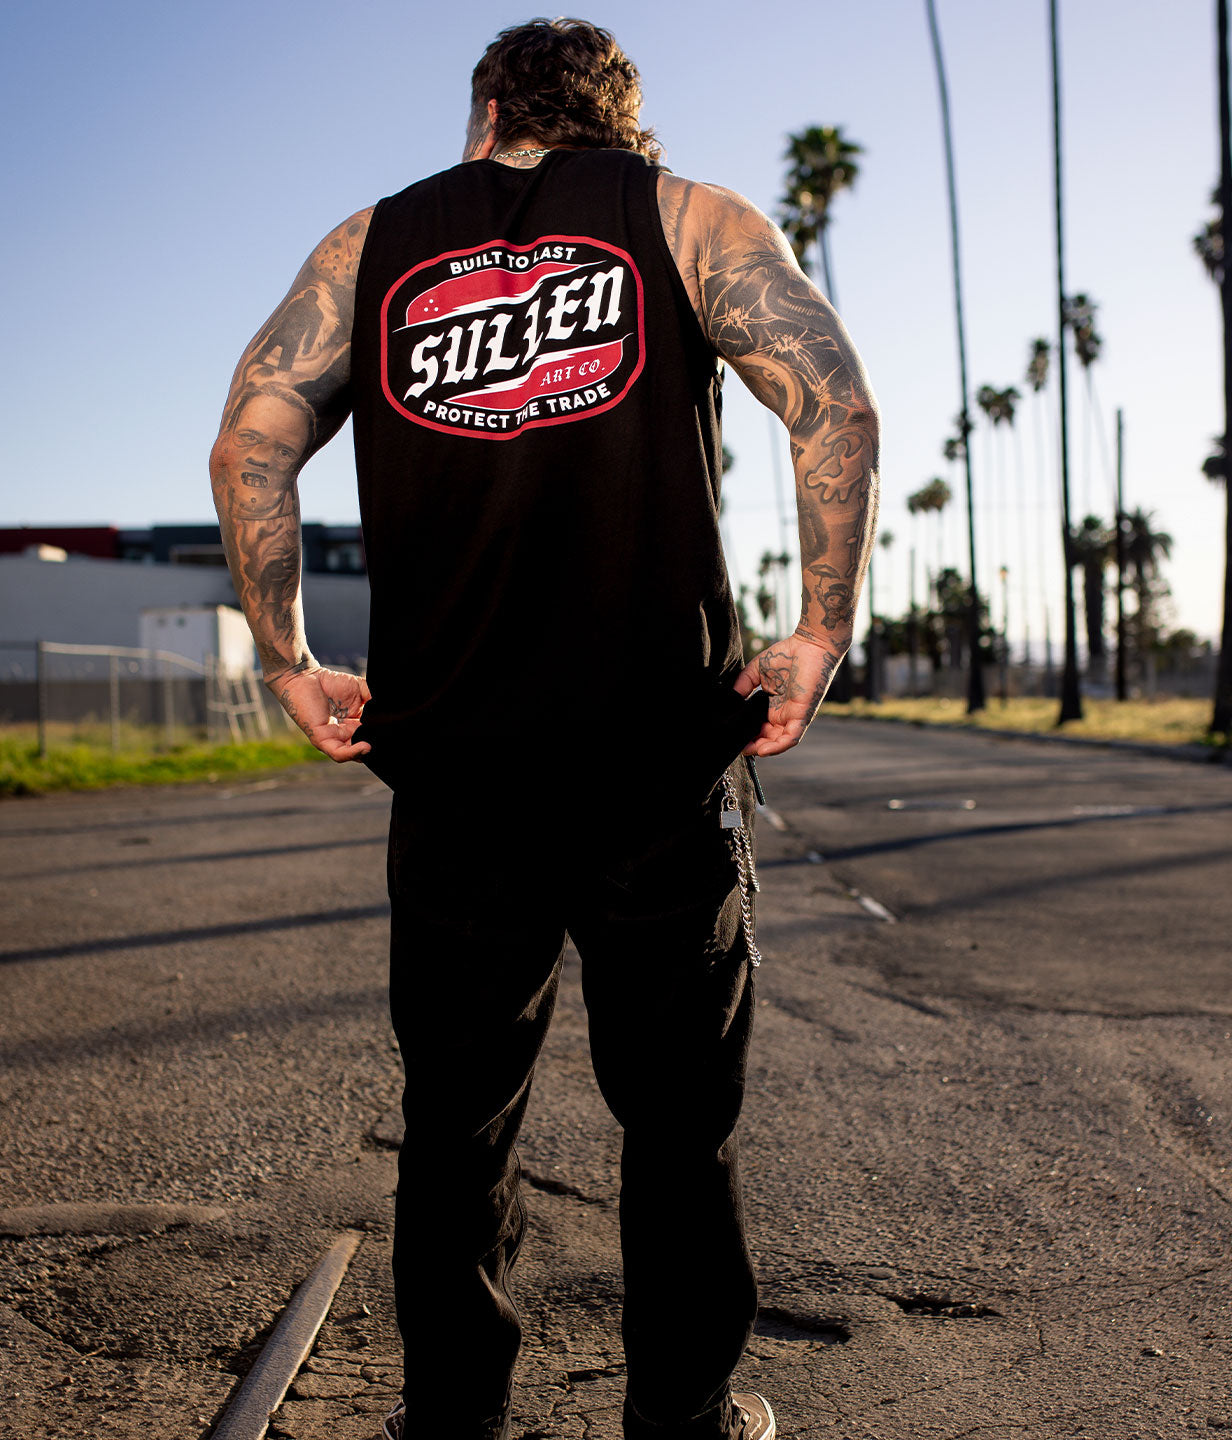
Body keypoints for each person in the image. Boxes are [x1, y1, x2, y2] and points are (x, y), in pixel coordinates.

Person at [210, 19, 879, 1440]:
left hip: (456, 763)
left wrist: (287, 659)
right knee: (678, 1122)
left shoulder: (370, 247)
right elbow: (835, 403)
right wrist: (820, 631)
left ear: (490, 112)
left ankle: (454, 1423)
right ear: (618, 123)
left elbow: (250, 443)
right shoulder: (688, 218)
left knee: (456, 1123)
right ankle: (683, 1421)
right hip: (655, 759)